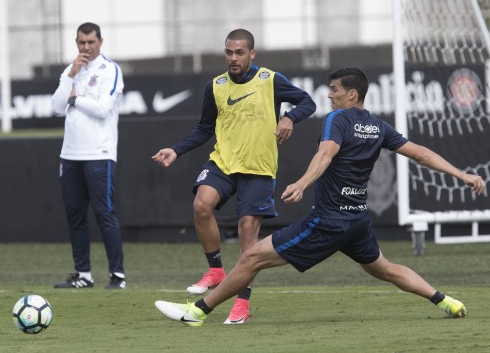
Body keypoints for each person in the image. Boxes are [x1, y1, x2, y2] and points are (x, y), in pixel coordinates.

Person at [155, 67, 487, 326]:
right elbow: (420, 153)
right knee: (386, 268)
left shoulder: (337, 120)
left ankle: (197, 312)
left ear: (351, 94)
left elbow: (325, 155)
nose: (329, 96)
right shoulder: (376, 126)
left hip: (328, 221)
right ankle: (446, 301)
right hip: (357, 221)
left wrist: (301, 183)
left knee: (252, 256)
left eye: (334, 90)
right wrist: (462, 175)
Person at [152, 29, 316, 324]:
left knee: (247, 235)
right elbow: (204, 128)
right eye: (229, 52)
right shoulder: (214, 86)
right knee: (201, 205)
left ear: (252, 54)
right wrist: (176, 150)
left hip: (258, 168)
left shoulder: (270, 80)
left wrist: (289, 116)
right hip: (224, 162)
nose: (233, 58)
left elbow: (308, 101)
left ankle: (242, 303)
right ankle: (216, 270)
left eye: (240, 52)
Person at [51, 22, 126, 290]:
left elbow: (103, 108)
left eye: (91, 42)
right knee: (74, 214)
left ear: (100, 42)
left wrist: (75, 98)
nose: (86, 48)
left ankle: (118, 275)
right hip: (70, 153)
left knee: (104, 213)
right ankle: (83, 274)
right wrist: (70, 75)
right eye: (81, 43)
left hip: (100, 152)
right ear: (76, 42)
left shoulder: (110, 69)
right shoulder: (71, 71)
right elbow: (57, 107)